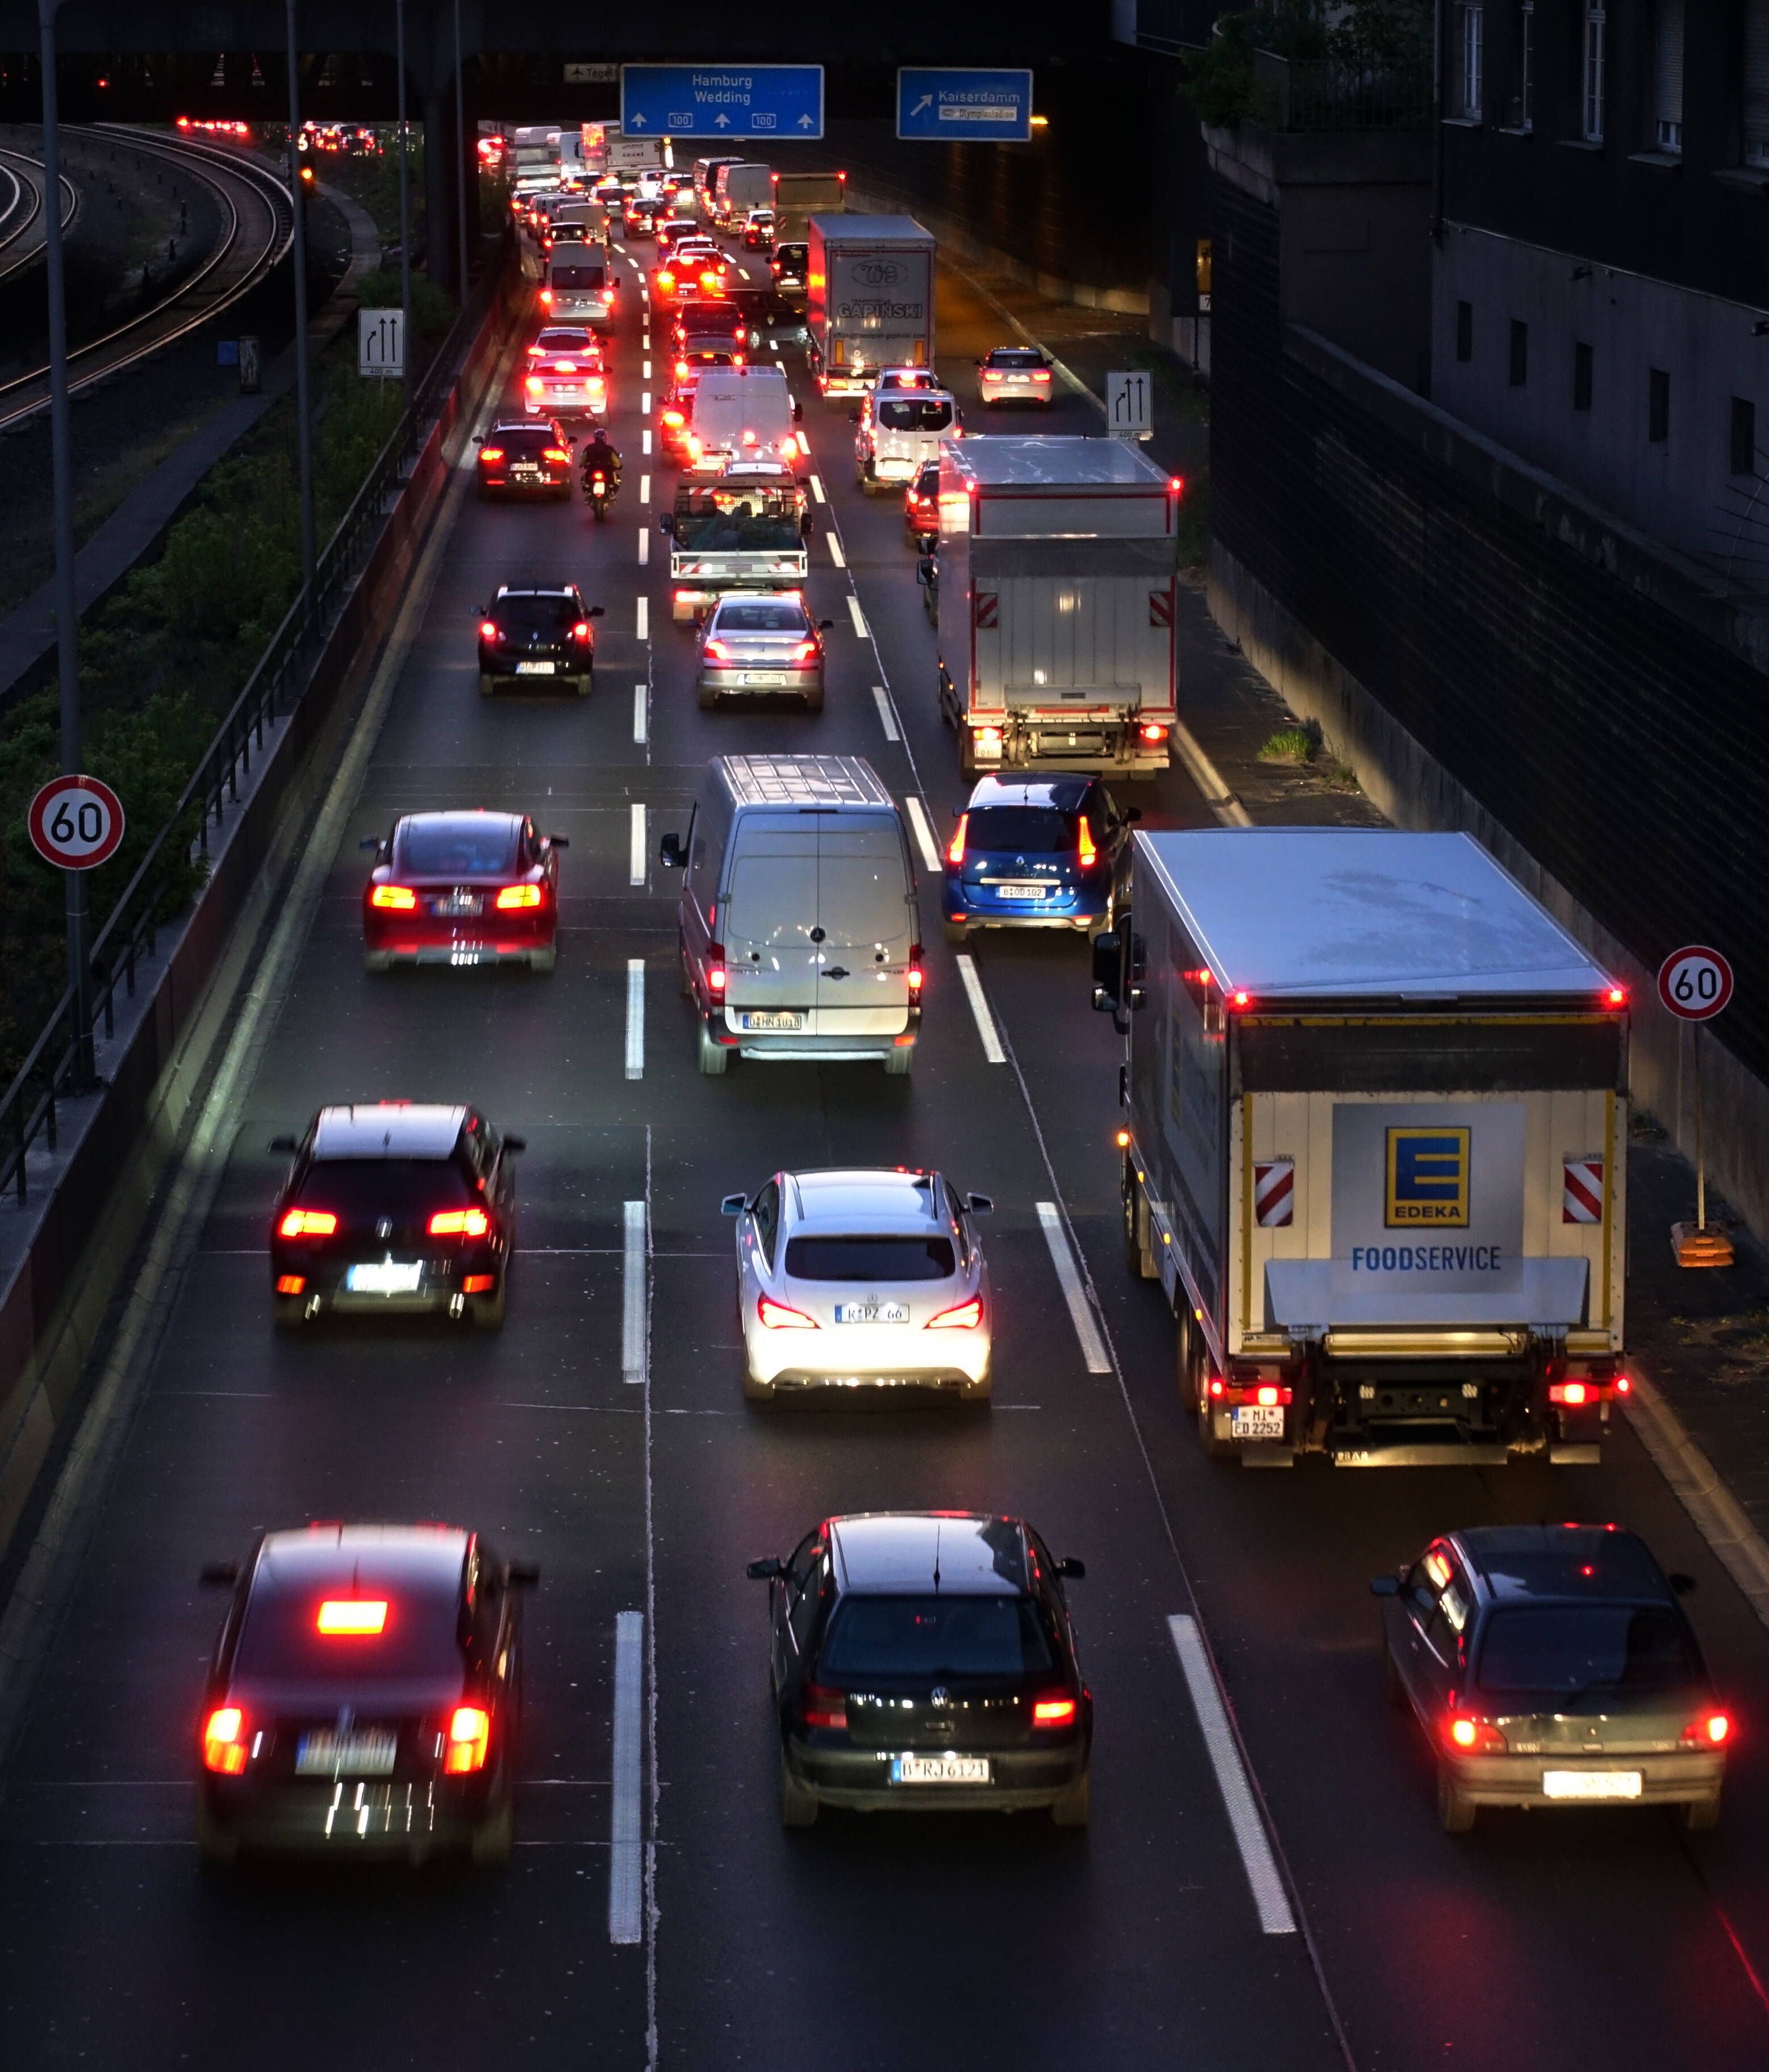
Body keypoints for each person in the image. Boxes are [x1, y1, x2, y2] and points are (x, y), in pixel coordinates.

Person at [580, 423, 622, 498]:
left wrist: (582, 465)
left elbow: (583, 459)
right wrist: (618, 466)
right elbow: (616, 460)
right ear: (605, 438)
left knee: (584, 480)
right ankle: (612, 493)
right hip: (607, 470)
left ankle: (589, 492)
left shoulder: (589, 447)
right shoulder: (609, 448)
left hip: (592, 469)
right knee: (617, 480)